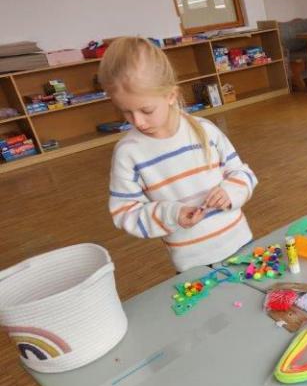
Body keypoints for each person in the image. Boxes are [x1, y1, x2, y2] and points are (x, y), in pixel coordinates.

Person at [100, 37, 256, 272]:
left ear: (171, 95)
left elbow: (242, 173)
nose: (138, 122)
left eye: (146, 110)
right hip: (192, 265)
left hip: (242, 246)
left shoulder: (205, 130)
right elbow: (126, 212)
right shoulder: (128, 153)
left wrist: (230, 192)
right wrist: (171, 214)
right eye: (126, 112)